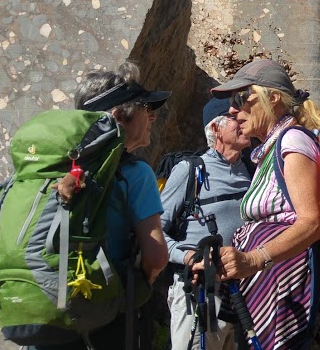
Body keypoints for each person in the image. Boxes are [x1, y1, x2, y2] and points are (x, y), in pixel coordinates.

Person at [32, 63, 171, 350]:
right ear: (120, 115)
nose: (152, 117)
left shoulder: (47, 166)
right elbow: (156, 256)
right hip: (104, 322)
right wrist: (132, 291)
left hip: (42, 314)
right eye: (146, 107)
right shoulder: (135, 173)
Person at [209, 59, 320, 350]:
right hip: (271, 286)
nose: (232, 110)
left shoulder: (293, 142)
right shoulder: (271, 148)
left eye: (241, 98)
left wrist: (252, 260)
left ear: (272, 98)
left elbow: (311, 224)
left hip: (284, 292)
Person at [162, 97, 253, 350]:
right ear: (216, 129)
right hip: (199, 293)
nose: (244, 123)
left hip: (243, 293)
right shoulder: (189, 171)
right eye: (235, 119)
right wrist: (189, 257)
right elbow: (156, 231)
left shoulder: (252, 169)